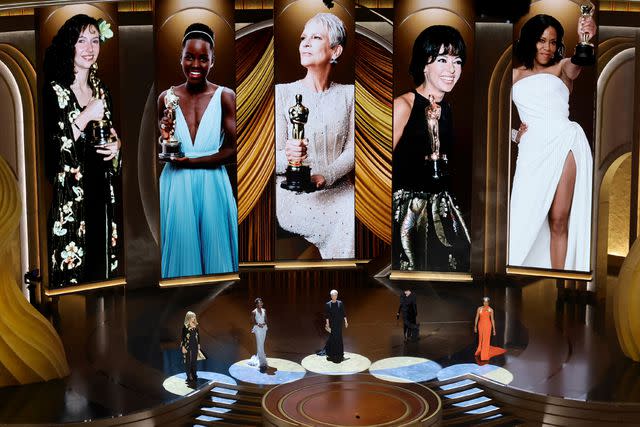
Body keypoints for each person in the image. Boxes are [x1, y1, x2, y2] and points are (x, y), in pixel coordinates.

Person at [509, 14, 595, 271]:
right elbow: (488, 113)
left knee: (559, 218)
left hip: (564, 141)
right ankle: (518, 274)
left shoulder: (563, 67)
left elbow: (580, 61)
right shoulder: (513, 75)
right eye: (541, 41)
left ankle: (560, 279)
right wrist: (515, 135)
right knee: (523, 217)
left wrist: (586, 38)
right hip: (531, 151)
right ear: (529, 42)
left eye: (553, 42)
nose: (547, 47)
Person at [43, 14, 122, 288]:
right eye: (81, 40)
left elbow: (109, 137)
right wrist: (84, 116)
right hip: (71, 203)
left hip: (102, 197)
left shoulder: (102, 89)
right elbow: (52, 154)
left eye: (95, 40)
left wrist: (116, 146)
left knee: (103, 280)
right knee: (72, 287)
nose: (89, 48)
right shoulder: (54, 92)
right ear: (69, 45)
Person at [158, 23, 238, 278]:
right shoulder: (166, 98)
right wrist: (165, 135)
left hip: (213, 184)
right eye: (189, 57)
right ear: (180, 58)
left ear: (212, 61)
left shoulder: (225, 96)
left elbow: (233, 150)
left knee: (216, 254)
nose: (195, 65)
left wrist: (191, 162)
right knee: (181, 252)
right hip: (176, 186)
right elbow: (163, 145)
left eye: (203, 58)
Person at [275, 13, 355, 259]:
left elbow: (353, 149)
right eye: (303, 38)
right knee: (346, 217)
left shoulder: (349, 95)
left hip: (340, 188)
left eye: (316, 37)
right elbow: (269, 158)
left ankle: (337, 285)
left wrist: (327, 175)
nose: (305, 43)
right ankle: (337, 284)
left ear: (336, 51)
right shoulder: (283, 93)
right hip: (294, 195)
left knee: (357, 210)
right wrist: (290, 159)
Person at [392, 25, 470, 272]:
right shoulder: (403, 105)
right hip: (408, 214)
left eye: (457, 61)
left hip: (442, 209)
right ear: (424, 65)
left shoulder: (447, 109)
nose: (452, 69)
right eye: (442, 59)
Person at [474, 297, 505, 361]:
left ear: (488, 303)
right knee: (481, 338)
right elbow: (477, 317)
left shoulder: (491, 310)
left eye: (487, 302)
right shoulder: (479, 309)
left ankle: (484, 354)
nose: (485, 303)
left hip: (488, 325)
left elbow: (492, 319)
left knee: (486, 339)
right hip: (480, 325)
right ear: (483, 302)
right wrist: (475, 326)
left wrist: (494, 329)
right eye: (484, 302)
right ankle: (480, 349)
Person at [324, 289, 348, 363]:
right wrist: (327, 325)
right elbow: (327, 316)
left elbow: (343, 313)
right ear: (331, 296)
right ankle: (332, 353)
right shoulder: (328, 304)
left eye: (335, 295)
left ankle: (340, 353)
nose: (334, 296)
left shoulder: (340, 303)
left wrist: (346, 322)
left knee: (339, 338)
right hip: (332, 324)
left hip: (339, 324)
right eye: (333, 295)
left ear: (337, 296)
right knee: (333, 338)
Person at [181, 311, 201, 384]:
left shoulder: (195, 325)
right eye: (192, 317)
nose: (194, 318)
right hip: (187, 345)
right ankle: (189, 375)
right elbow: (182, 337)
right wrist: (183, 347)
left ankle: (194, 374)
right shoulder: (185, 326)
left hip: (194, 345)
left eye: (194, 317)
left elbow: (198, 336)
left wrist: (199, 344)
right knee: (188, 361)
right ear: (189, 317)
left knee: (194, 361)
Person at [251, 298, 268, 373]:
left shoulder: (264, 310)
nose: (260, 304)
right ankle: (262, 361)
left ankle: (260, 357)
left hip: (263, 328)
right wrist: (258, 324)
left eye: (261, 302)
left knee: (262, 344)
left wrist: (264, 324)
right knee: (259, 344)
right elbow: (252, 321)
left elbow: (266, 319)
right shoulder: (254, 312)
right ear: (256, 304)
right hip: (257, 329)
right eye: (259, 303)